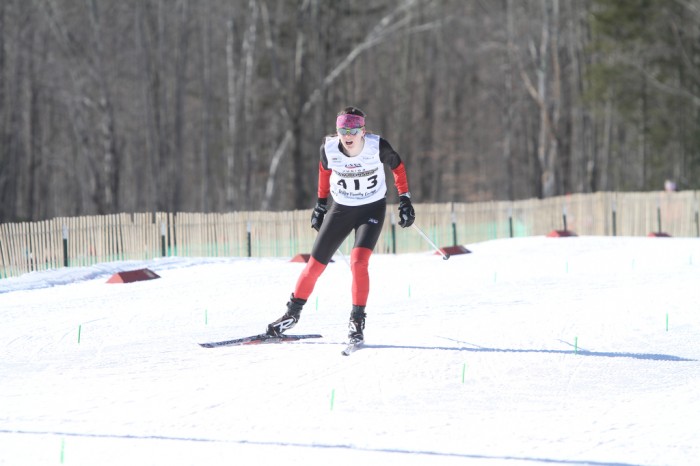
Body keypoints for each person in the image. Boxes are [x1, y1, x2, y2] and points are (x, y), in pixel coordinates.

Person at [266, 106, 415, 344]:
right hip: (341, 210)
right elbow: (324, 173)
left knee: (358, 262)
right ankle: (291, 315)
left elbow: (397, 166)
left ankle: (357, 321)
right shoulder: (329, 148)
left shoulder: (378, 146)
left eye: (353, 129)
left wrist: (405, 198)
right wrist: (320, 205)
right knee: (314, 266)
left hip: (371, 209)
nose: (348, 135)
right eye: (343, 129)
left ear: (362, 131)